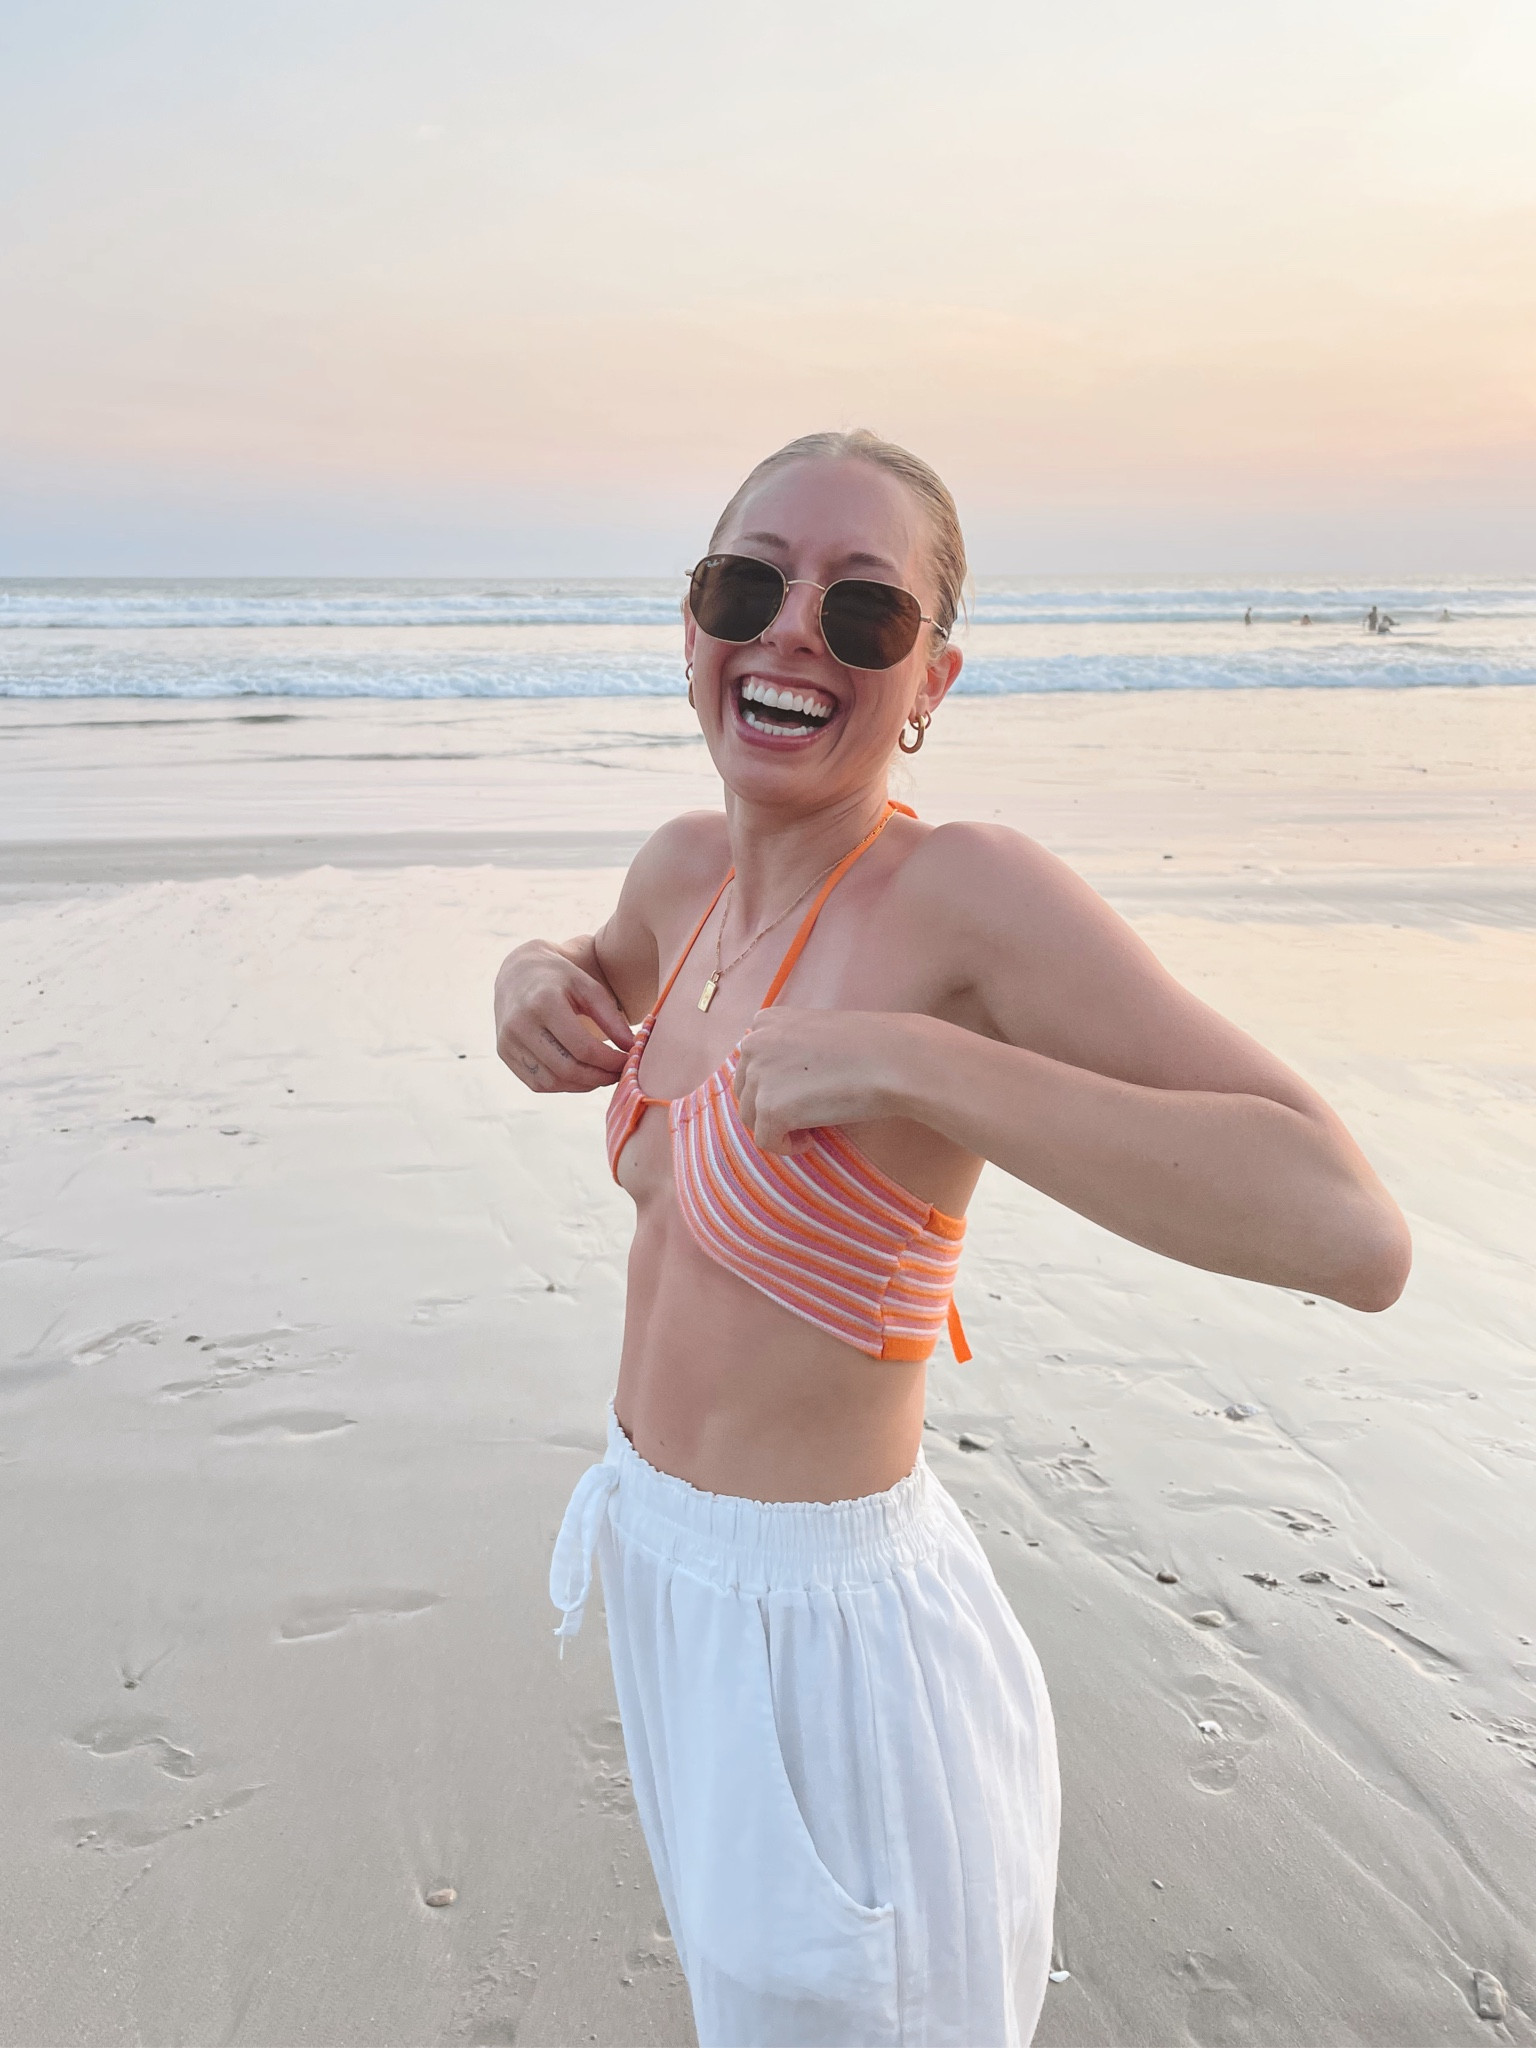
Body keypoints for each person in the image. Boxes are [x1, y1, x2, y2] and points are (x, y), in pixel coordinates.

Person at [493, 430, 1411, 2048]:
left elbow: (1348, 1225)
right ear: (690, 623)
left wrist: (927, 1068)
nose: (791, 633)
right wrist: (533, 969)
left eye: (864, 614)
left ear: (931, 680)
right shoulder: (685, 876)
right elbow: (607, 970)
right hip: (669, 1595)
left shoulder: (964, 899)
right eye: (749, 584)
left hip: (847, 1664)